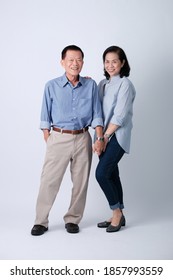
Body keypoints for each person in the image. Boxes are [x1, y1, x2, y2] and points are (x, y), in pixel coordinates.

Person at [31, 45, 104, 235]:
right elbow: (44, 117)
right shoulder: (51, 86)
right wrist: (50, 138)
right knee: (49, 181)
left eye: (79, 59)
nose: (75, 63)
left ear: (83, 62)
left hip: (82, 138)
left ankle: (73, 219)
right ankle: (41, 221)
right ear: (62, 62)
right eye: (70, 59)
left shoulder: (91, 85)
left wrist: (99, 136)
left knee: (81, 182)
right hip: (58, 137)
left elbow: (97, 113)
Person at [94, 45, 136, 233]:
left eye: (114, 61)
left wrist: (104, 137)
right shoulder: (102, 84)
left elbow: (119, 116)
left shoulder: (125, 84)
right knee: (111, 174)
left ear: (122, 63)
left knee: (101, 174)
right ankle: (118, 214)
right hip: (102, 136)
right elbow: (95, 107)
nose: (110, 65)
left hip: (116, 135)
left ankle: (116, 212)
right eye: (107, 61)